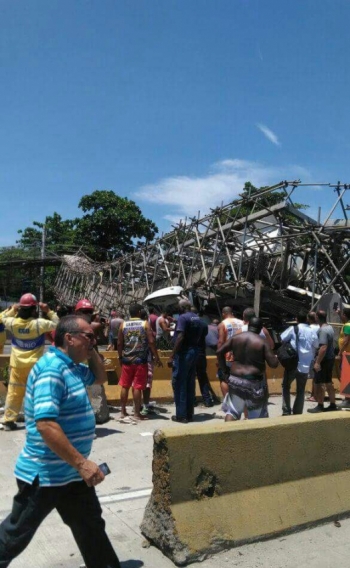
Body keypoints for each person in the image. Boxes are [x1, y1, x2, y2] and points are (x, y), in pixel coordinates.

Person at [0, 315, 121, 568]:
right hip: (46, 475)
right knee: (15, 535)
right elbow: (45, 424)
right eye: (88, 336)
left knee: (90, 527)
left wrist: (92, 348)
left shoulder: (73, 367)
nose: (93, 339)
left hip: (72, 474)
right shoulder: (52, 370)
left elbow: (100, 378)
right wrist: (81, 463)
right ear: (69, 338)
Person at [0, 294, 59, 431]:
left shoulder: (13, 323)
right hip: (35, 366)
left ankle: (9, 421)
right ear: (34, 310)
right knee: (38, 393)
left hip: (17, 366)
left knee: (14, 393)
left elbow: (2, 318)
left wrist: (12, 309)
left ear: (21, 308)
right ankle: (37, 421)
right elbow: (57, 324)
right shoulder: (39, 324)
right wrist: (48, 310)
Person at [217, 317, 279, 421]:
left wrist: (225, 371)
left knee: (232, 412)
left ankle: (227, 435)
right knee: (256, 416)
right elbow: (273, 364)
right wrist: (276, 358)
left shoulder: (236, 338)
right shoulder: (262, 342)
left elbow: (219, 352)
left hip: (235, 380)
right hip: (254, 382)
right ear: (260, 329)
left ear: (249, 325)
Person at [118, 304, 162, 421]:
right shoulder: (144, 324)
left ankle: (123, 411)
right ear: (138, 312)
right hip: (140, 360)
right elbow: (151, 341)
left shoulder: (123, 324)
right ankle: (137, 413)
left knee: (125, 385)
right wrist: (156, 356)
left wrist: (120, 357)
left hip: (127, 360)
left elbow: (119, 343)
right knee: (137, 386)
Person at [168, 300, 202, 423]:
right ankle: (189, 413)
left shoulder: (183, 318)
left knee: (179, 383)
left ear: (182, 308)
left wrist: (172, 355)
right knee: (190, 382)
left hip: (184, 353)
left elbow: (181, 336)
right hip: (194, 350)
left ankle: (181, 415)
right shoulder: (196, 317)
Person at [280, 312, 319, 415]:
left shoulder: (293, 329)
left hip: (292, 363)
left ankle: (286, 410)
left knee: (285, 386)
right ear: (306, 318)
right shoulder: (312, 331)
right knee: (301, 390)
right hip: (305, 365)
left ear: (296, 318)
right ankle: (297, 412)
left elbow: (282, 338)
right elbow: (316, 344)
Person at [308, 310, 337, 413]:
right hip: (330, 359)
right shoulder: (330, 328)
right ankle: (333, 404)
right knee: (328, 382)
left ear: (317, 317)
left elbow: (323, 347)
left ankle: (320, 405)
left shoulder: (323, 330)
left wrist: (317, 362)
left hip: (324, 360)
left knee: (319, 383)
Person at [217, 307, 244, 397]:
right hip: (242, 356)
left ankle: (228, 402)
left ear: (223, 314)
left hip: (228, 357)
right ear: (232, 313)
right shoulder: (242, 322)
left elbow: (221, 342)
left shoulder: (223, 324)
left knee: (224, 378)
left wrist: (219, 357)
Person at [337, 307, 350, 408]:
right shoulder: (348, 324)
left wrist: (339, 353)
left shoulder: (347, 326)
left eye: (342, 315)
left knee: (346, 377)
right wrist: (338, 314)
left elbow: (346, 341)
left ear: (345, 315)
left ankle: (347, 400)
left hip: (347, 354)